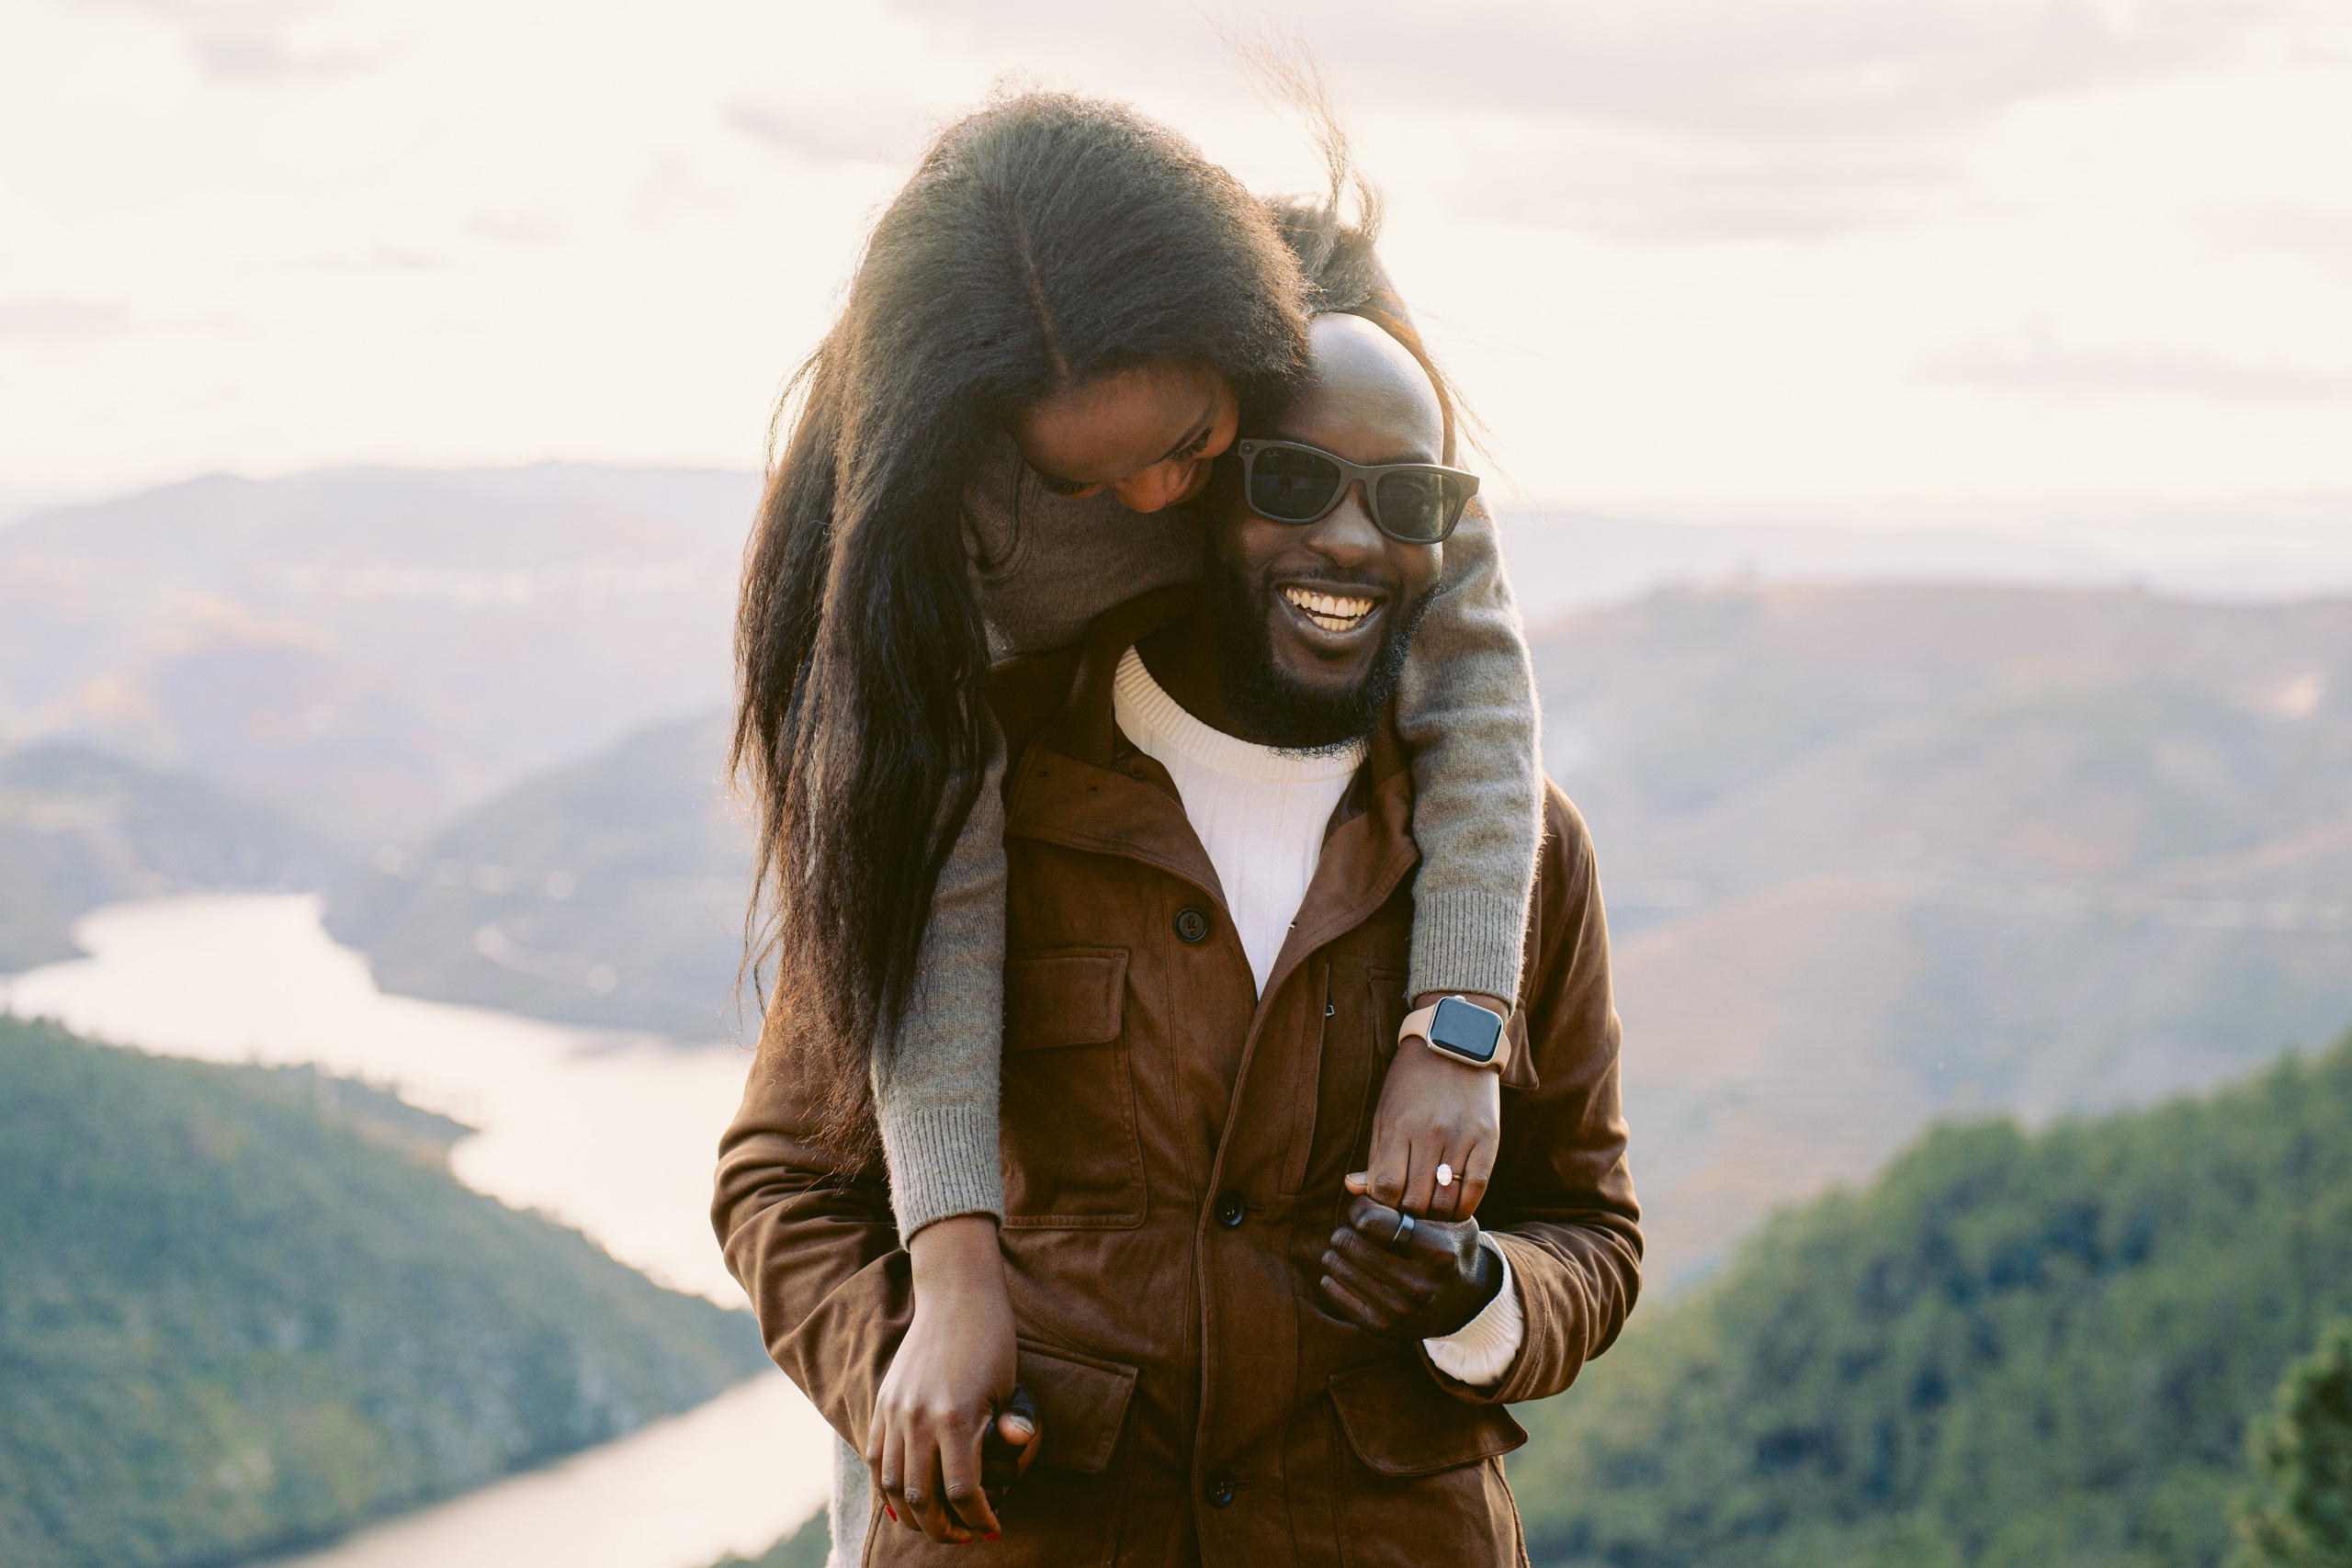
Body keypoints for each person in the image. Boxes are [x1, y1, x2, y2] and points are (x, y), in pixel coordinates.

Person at [727, 89, 1547, 1549]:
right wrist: (953, 1278)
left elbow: (1473, 676)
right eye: (1083, 480)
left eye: (1194, 441)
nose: (1159, 498)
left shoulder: (1330, 348)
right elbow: (932, 911)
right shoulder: (916, 535)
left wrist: (1457, 1022)